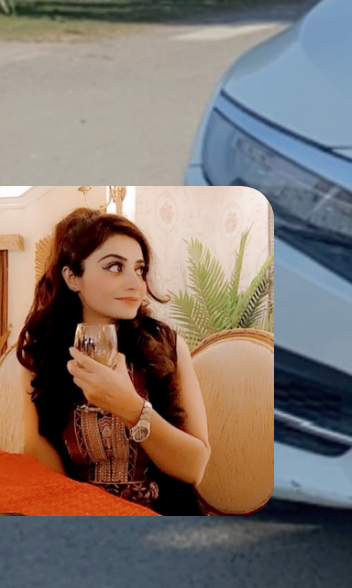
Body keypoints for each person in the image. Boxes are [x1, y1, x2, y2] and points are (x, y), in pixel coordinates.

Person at [13, 207, 211, 515]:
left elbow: (195, 467)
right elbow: (37, 445)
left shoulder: (168, 346)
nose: (136, 284)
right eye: (115, 267)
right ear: (72, 277)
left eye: (140, 270)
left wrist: (130, 407)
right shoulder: (42, 350)